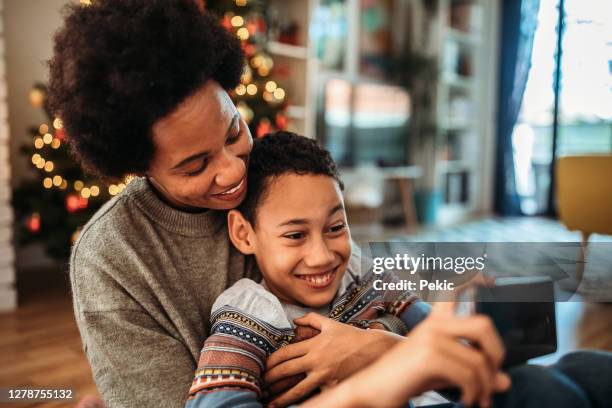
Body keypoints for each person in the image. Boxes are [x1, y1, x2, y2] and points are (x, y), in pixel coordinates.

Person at [48, 1, 404, 407]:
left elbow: (368, 293)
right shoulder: (111, 258)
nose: (234, 171)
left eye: (235, 132)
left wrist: (379, 345)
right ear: (139, 167)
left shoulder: (274, 175)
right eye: (196, 165)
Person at [186, 132, 439, 407]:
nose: (321, 257)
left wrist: (383, 338)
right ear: (244, 234)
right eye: (295, 235)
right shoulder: (248, 316)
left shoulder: (368, 275)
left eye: (335, 227)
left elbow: (453, 354)